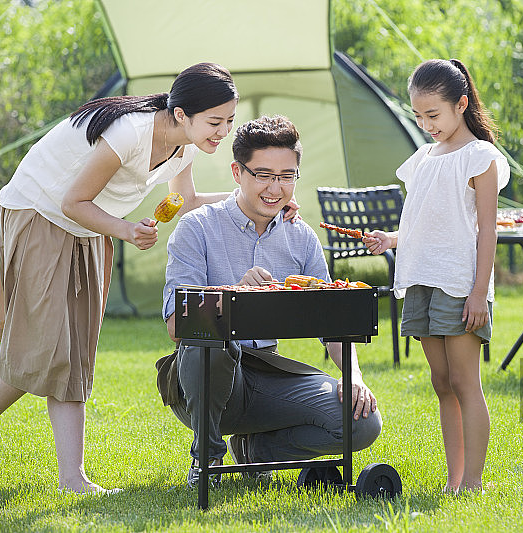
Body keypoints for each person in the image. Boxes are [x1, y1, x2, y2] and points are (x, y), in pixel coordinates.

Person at [0, 62, 296, 493]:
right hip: (41, 213)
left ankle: (72, 479)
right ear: (183, 114)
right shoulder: (131, 133)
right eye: (215, 122)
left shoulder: (185, 146)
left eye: (229, 121)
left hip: (89, 226)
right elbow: (73, 200)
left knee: (73, 354)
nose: (223, 132)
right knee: (43, 348)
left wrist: (266, 196)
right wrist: (127, 231)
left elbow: (184, 202)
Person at [160, 115, 381, 488]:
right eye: (263, 174)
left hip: (268, 374)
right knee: (207, 345)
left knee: (362, 422)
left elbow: (334, 324)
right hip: (201, 376)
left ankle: (258, 452)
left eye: (286, 176)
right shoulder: (197, 227)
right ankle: (208, 460)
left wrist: (353, 375)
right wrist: (235, 296)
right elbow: (176, 328)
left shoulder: (302, 238)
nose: (274, 188)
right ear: (237, 172)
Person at [363, 59, 509, 494]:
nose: (427, 124)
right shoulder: (423, 158)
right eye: (419, 115)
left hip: (460, 282)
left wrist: (479, 292)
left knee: (465, 381)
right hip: (420, 279)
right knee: (441, 382)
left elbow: (486, 231)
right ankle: (454, 480)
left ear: (461, 104)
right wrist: (391, 240)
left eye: (434, 115)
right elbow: (426, 222)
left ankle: (474, 483)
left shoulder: (481, 157)